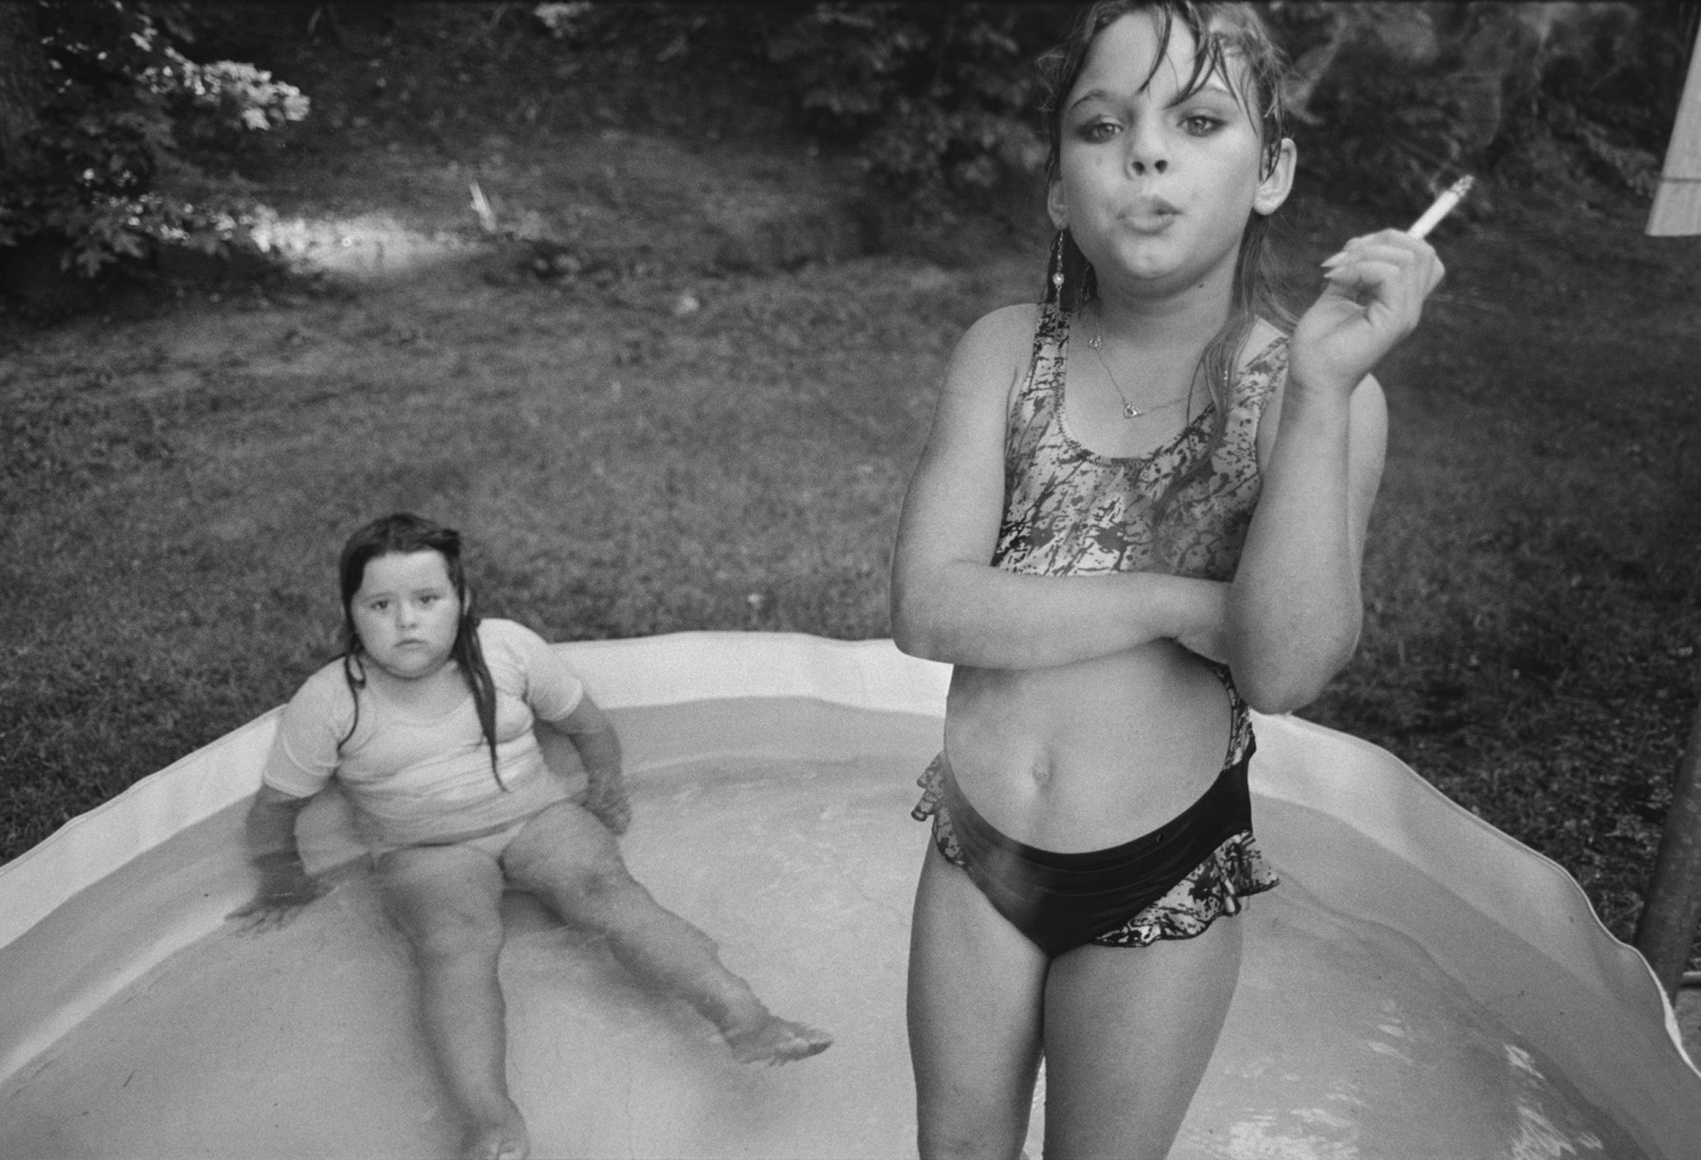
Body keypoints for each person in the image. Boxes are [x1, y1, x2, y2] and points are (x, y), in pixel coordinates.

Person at [890, 3, 1445, 1157]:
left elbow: (1283, 662)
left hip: (1157, 876)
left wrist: (1323, 395)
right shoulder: (1003, 353)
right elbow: (929, 606)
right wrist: (1184, 603)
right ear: (1056, 187)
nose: (1143, 152)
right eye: (1101, 126)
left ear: (1272, 172)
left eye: (1195, 120)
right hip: (976, 846)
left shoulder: (1302, 393)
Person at [231, 512, 830, 1160]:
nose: (406, 621)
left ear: (463, 602)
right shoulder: (330, 701)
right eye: (381, 604)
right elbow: (274, 809)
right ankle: (490, 1119)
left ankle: (744, 1018)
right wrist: (280, 877)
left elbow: (589, 727)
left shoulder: (508, 651)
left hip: (535, 817)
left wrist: (605, 790)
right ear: (351, 614)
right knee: (455, 939)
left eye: (426, 600)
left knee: (608, 893)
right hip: (425, 849)